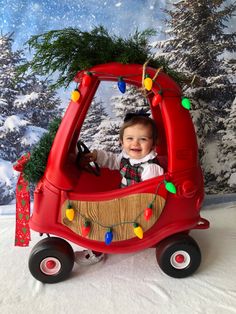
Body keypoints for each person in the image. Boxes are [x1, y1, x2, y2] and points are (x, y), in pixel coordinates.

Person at [75, 112, 164, 265]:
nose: (135, 143)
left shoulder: (150, 168)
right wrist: (97, 156)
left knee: (104, 218)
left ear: (153, 143)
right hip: (124, 199)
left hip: (136, 209)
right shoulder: (127, 157)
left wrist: (122, 205)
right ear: (122, 142)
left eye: (143, 139)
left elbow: (151, 198)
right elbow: (113, 161)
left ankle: (97, 250)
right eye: (130, 138)